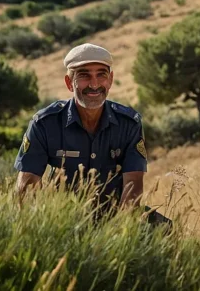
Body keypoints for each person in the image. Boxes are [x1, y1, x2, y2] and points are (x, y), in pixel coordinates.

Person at [14, 43, 147, 208]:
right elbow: (27, 186)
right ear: (69, 82)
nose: (94, 84)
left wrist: (118, 229)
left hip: (116, 215)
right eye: (84, 76)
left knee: (166, 229)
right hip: (63, 217)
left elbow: (133, 185)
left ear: (110, 80)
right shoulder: (44, 124)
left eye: (101, 75)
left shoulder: (129, 123)